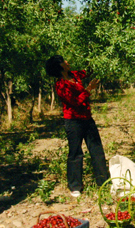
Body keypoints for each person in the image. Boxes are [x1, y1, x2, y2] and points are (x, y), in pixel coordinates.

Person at [45, 55, 110, 197]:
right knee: (75, 153)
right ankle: (75, 186)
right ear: (60, 66)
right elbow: (74, 102)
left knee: (96, 149)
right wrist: (88, 89)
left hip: (87, 118)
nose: (67, 62)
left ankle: (103, 181)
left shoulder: (74, 75)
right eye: (64, 61)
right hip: (73, 121)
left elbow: (88, 70)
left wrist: (98, 56)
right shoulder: (61, 85)